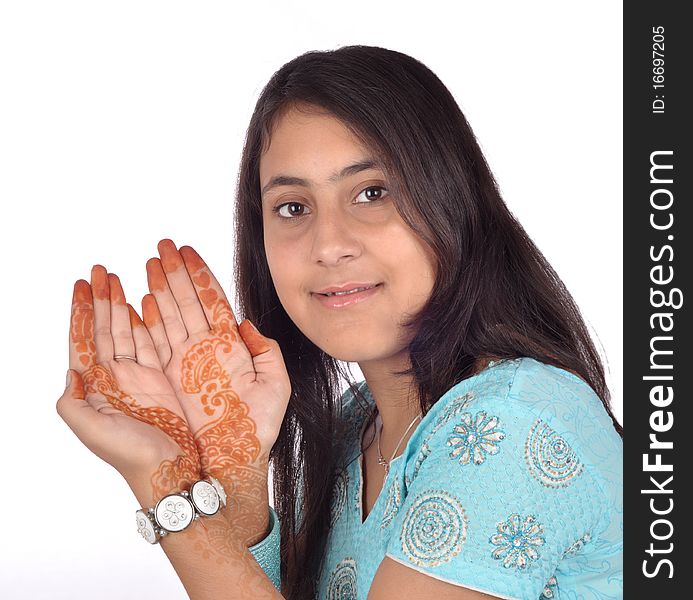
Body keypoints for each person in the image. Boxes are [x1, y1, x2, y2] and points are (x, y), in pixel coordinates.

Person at [56, 45, 623, 600]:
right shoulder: (360, 426)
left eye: (372, 193)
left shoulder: (514, 421)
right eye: (292, 208)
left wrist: (167, 488)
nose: (328, 245)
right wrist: (235, 473)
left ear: (453, 201)